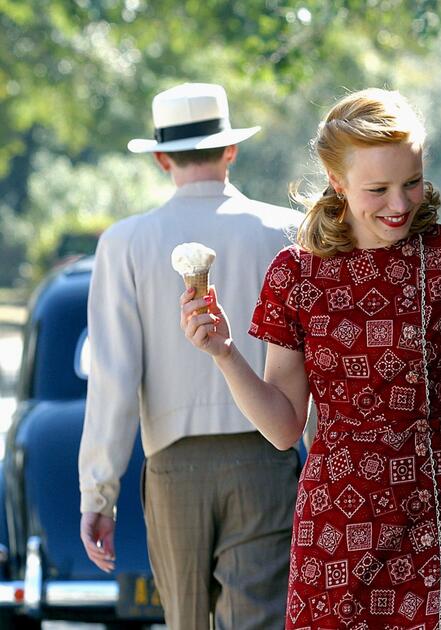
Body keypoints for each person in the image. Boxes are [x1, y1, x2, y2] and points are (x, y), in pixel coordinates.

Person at [179, 88, 441, 629]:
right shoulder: (295, 274)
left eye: (412, 182)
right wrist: (224, 353)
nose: (400, 204)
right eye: (378, 189)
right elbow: (283, 429)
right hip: (335, 523)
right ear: (336, 181)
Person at [78, 82, 301, 629]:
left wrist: (98, 494)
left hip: (174, 467)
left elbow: (114, 380)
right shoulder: (288, 231)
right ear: (231, 150)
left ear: (161, 158)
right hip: (266, 458)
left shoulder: (125, 242)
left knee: (185, 621)